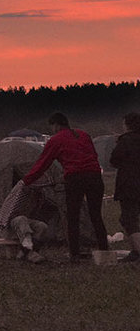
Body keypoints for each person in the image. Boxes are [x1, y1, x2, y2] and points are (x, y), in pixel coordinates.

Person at [22, 112, 109, 261]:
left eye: (52, 127)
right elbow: (92, 155)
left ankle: (74, 254)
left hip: (76, 179)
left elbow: (43, 163)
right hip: (94, 176)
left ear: (56, 125)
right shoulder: (84, 134)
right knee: (95, 215)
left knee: (72, 216)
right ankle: (104, 251)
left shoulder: (56, 140)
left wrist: (26, 181)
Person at [0, 180, 56, 263]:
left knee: (42, 226)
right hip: (9, 227)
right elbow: (6, 216)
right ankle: (28, 248)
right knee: (21, 219)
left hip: (23, 225)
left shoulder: (38, 197)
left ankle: (26, 252)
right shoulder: (19, 192)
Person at [111, 112, 140, 262]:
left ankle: (137, 251)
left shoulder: (126, 141)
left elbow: (114, 160)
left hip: (129, 184)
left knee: (128, 218)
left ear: (127, 125)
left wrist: (119, 142)